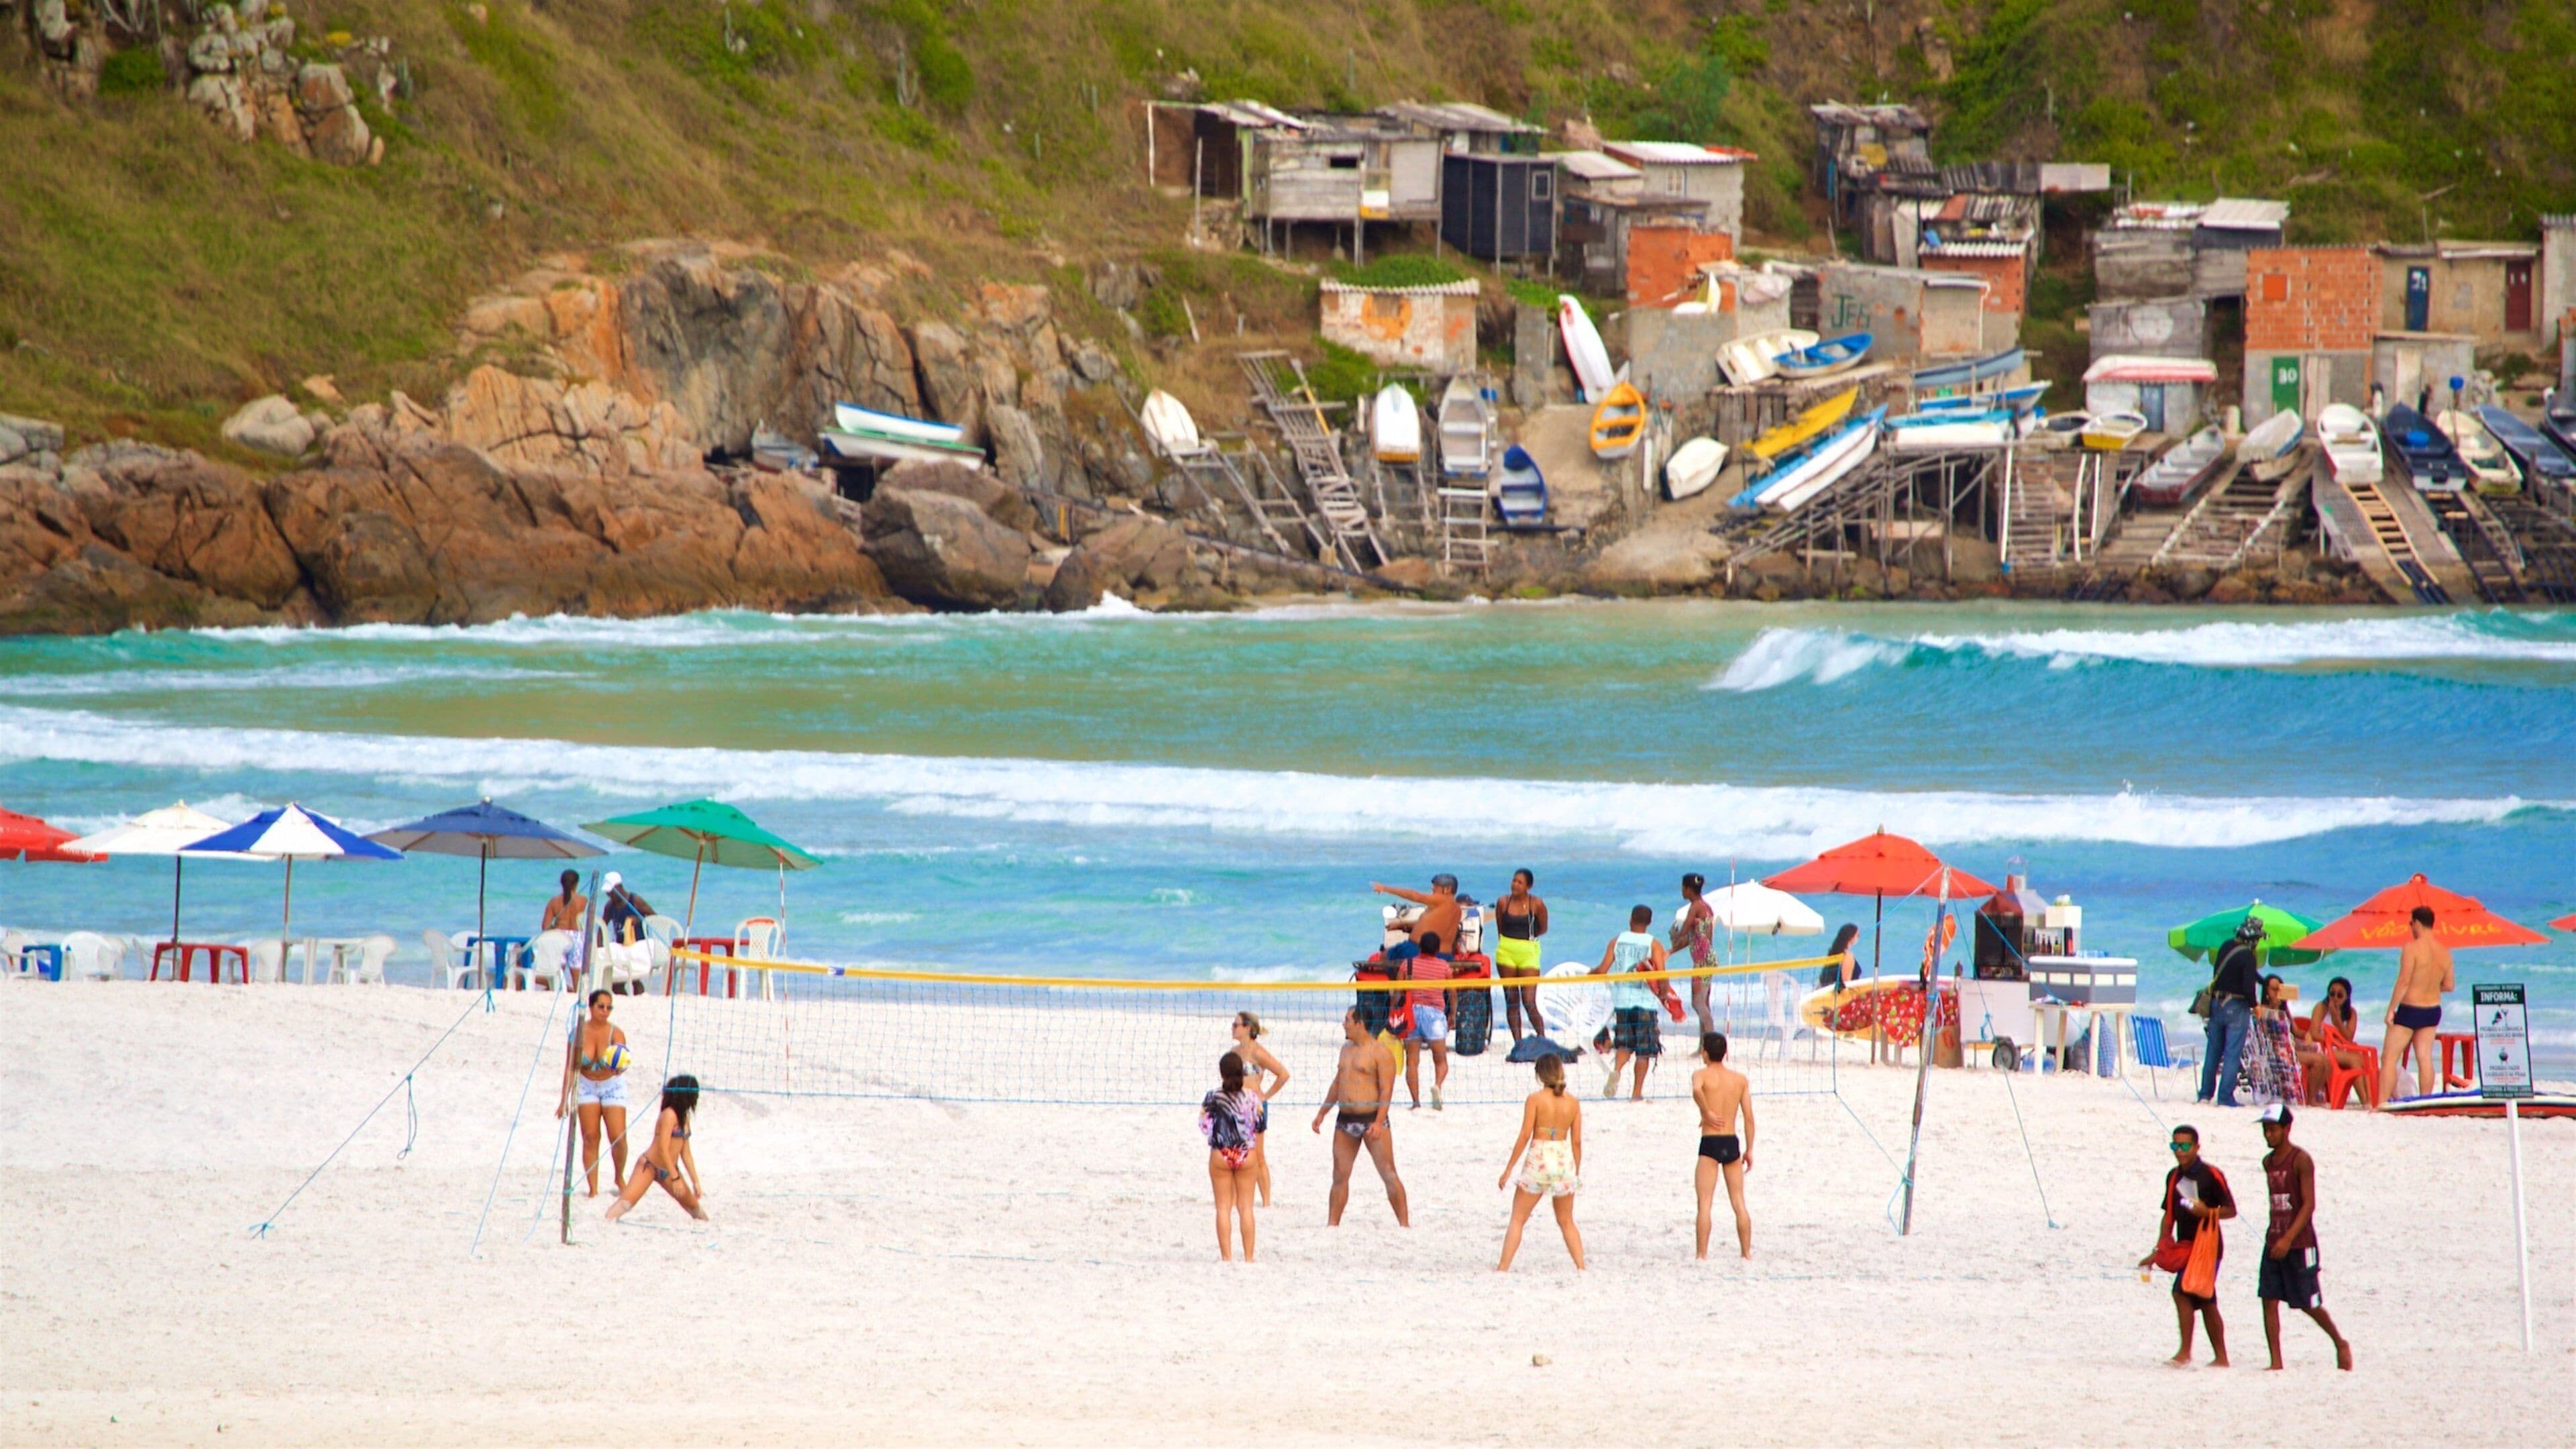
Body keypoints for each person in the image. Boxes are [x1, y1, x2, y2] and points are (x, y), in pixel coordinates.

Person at [2255, 1104, 2353, 1371]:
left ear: (2287, 1129)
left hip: (2300, 1242)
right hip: (2273, 1238)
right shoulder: (2268, 1162)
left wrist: (2288, 1238)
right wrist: (2276, 1237)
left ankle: (2339, 1341)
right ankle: (2276, 1361)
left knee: (2308, 1302)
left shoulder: (2300, 1160)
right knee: (2268, 1298)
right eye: (2266, 1130)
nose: (2269, 1135)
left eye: (2273, 1130)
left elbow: (2308, 1205)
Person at [2138, 1123, 2234, 1366]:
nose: (2179, 1151)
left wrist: (2207, 1211)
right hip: (2185, 1245)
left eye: (2184, 1146)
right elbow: (2168, 1215)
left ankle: (2186, 1353)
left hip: (2208, 1246)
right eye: (2175, 1145)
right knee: (2205, 1300)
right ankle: (2219, 1357)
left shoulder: (2212, 1175)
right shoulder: (2173, 1176)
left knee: (2183, 1293)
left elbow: (2231, 1210)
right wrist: (2158, 1250)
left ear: (2197, 1147)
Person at [1310, 1008, 1409, 1227]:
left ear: (1360, 1023)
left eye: (1347, 1020)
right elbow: (1338, 1084)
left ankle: (1404, 1225)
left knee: (1389, 1173)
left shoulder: (1380, 1052)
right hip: (1345, 1120)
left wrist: (1378, 1122)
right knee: (1339, 1176)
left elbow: (1386, 1090)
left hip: (1372, 1118)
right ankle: (1332, 1225)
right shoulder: (1346, 1050)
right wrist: (1322, 1113)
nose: (1343, 1024)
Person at [1495, 1056, 1585, 1272]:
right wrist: (1576, 1171)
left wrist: (1508, 1169)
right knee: (1567, 1221)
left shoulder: (1535, 1099)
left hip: (1540, 1157)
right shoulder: (1573, 1102)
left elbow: (1525, 1135)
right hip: (1563, 1158)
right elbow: (1577, 1141)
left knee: (1518, 1219)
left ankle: (1503, 1268)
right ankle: (1581, 1267)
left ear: (1539, 1075)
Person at [554, 988, 631, 1196]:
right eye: (601, 1007)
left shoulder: (616, 1033)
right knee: (590, 1136)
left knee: (618, 1137)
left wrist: (620, 1068)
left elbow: (623, 1062)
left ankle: (619, 1176)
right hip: (587, 1084)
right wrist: (564, 1100)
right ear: (591, 1007)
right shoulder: (578, 1033)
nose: (605, 1011)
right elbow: (570, 1067)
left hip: (611, 1084)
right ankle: (593, 1188)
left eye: (609, 1007)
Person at [606, 1074, 706, 1223]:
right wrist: (675, 1177)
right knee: (626, 1204)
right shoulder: (669, 1115)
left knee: (695, 1209)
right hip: (649, 1166)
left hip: (669, 1170)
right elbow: (662, 1149)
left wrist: (695, 1181)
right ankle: (605, 1220)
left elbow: (686, 1153)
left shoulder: (684, 1118)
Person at [1691, 1031, 1756, 1260]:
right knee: (1739, 1202)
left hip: (1710, 1141)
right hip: (1731, 1140)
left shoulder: (1701, 1074)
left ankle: (1702, 1255)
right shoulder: (1739, 1080)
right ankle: (1746, 1254)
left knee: (1705, 1204)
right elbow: (1749, 1117)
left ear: (1705, 1053)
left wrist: (1706, 1111)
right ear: (1725, 1053)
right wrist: (1749, 1149)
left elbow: (1697, 1090)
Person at [2381, 905, 2454, 1103]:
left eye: (2410, 923)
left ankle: (2380, 1104)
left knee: (2388, 1058)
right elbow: (2449, 985)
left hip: (2410, 1010)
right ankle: (2425, 1101)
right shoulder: (2444, 952)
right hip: (2432, 1010)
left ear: (2418, 924)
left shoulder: (2411, 948)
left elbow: (2403, 981)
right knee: (2424, 1058)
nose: (2410, 927)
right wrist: (2428, 985)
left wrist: (2391, 1009)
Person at [1595, 905, 1667, 1100]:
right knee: (1644, 1051)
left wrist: (1590, 974)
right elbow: (1661, 974)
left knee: (1625, 1045)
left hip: (1622, 1001)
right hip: (1644, 1003)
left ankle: (1616, 1070)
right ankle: (1636, 1093)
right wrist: (1665, 995)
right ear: (1650, 922)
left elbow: (1602, 969)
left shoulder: (1617, 941)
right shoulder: (1654, 944)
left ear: (1630, 919)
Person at [1199, 1051, 1263, 1263]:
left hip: (1221, 1153)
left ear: (1222, 1073)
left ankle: (1227, 1257)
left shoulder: (1213, 1097)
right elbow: (1260, 1125)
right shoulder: (1252, 1097)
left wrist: (1217, 1136)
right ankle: (1249, 1257)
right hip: (1246, 1153)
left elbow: (1203, 1125)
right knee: (1246, 1208)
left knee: (1223, 1208)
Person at [2198, 916, 2263, 1107]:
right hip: (2236, 1007)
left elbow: (2228, 972)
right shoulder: (2249, 957)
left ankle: (2205, 1094)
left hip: (2217, 1004)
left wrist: (2263, 981)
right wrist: (2256, 1006)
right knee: (2232, 1053)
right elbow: (2248, 985)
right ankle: (2225, 1097)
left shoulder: (2226, 947)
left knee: (2213, 1051)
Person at [1228, 1013, 1289, 1208]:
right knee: (1236, 1154)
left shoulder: (1258, 1053)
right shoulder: (1234, 1052)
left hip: (1254, 1107)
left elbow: (1283, 1074)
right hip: (1236, 1105)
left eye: (1236, 1025)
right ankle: (1238, 1199)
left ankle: (1266, 1202)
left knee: (1258, 1156)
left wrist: (1265, 1096)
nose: (1232, 1028)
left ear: (1247, 1028)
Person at [1491, 869, 1549, 1042]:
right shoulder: (1503, 902)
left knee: (1529, 1000)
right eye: (1514, 881)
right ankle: (1518, 1043)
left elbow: (1543, 928)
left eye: (1519, 882)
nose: (1515, 885)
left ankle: (1542, 1039)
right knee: (1512, 999)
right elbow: (1500, 928)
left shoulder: (1536, 903)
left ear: (1528, 886)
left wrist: (1526, 941)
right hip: (1506, 952)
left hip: (1529, 953)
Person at [1397, 932, 1453, 1110]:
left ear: (1419, 947)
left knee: (1412, 1061)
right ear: (1437, 949)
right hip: (1435, 1015)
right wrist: (1452, 1014)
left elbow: (1398, 991)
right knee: (1441, 1060)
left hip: (1412, 1013)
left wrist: (1394, 1012)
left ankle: (1416, 1103)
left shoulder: (1408, 964)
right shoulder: (1444, 966)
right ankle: (1437, 1085)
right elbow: (1452, 993)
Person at [2296, 977, 2365, 1105]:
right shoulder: (2321, 1008)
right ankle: (2365, 1101)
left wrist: (2337, 1020)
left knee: (2361, 1059)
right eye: (2332, 994)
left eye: (2340, 995)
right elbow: (2315, 1033)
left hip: (2339, 1049)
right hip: (2324, 1048)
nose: (2335, 998)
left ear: (2347, 997)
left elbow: (2349, 1038)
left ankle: (2369, 1098)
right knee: (2354, 1059)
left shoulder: (2351, 1013)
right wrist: (2334, 1041)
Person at [1671, 873, 1719, 1036]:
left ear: (1689, 889)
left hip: (1703, 961)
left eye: (1683, 888)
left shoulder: (1696, 906)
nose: (1682, 891)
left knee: (1697, 1002)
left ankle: (1711, 1038)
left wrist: (1674, 935)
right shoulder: (1706, 907)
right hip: (1706, 958)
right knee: (1703, 1002)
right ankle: (1704, 1043)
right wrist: (1671, 951)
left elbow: (1683, 933)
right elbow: (1693, 939)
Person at [1373, 873, 1462, 959]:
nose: (1433, 889)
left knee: (1384, 956)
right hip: (1445, 955)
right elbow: (1429, 925)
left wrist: (1385, 889)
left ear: (1447, 890)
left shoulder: (1442, 900)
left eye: (1436, 887)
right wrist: (1401, 925)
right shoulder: (1457, 910)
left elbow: (1416, 896)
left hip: (1417, 950)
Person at [598, 871, 654, 945]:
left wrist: (639, 919)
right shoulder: (609, 906)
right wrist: (600, 946)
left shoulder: (635, 900)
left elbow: (655, 917)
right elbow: (602, 926)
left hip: (639, 944)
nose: (609, 895)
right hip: (621, 945)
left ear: (619, 887)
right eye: (607, 892)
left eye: (611, 892)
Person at [1815, 923, 1861, 990]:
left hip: (1825, 990)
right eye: (1858, 935)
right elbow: (1846, 983)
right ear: (1851, 938)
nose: (1858, 938)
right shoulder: (1848, 956)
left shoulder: (1833, 953)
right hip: (1838, 995)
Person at [541, 869, 589, 933]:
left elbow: (545, 927)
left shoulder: (554, 901)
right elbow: (590, 925)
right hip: (576, 937)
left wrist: (554, 927)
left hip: (559, 936)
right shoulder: (584, 900)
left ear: (561, 883)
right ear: (576, 884)